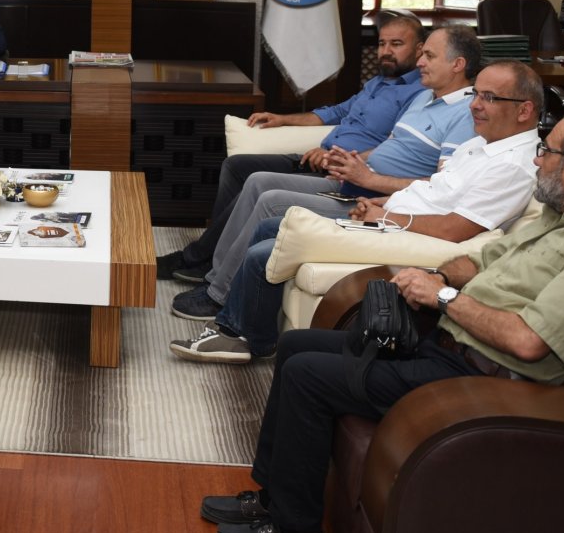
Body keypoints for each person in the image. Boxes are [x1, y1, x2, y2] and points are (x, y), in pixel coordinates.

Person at [200, 110, 564, 533]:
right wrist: (436, 275)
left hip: (484, 383)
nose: (537, 160)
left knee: (308, 375)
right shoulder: (561, 219)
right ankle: (273, 497)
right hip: (449, 346)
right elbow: (479, 261)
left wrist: (442, 297)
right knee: (298, 346)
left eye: (546, 151)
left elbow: (529, 341)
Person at [171, 61, 544, 363]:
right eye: (476, 94)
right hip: (390, 217)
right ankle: (253, 335)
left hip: (409, 237)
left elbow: (454, 229)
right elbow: (432, 190)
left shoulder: (513, 165)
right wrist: (382, 202)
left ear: (524, 110)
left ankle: (237, 334)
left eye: (488, 97)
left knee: (265, 250)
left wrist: (384, 217)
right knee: (270, 225)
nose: (475, 105)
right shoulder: (481, 145)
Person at [172, 25, 481, 322]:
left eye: (429, 56)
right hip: (354, 181)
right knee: (257, 180)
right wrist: (351, 161)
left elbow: (442, 187)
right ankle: (214, 277)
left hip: (376, 202)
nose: (420, 62)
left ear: (457, 64)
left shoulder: (465, 114)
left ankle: (218, 296)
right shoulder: (423, 97)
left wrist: (369, 179)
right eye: (422, 54)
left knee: (269, 200)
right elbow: (388, 148)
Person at [157, 10, 427, 280]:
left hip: (340, 170)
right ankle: (208, 254)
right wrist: (283, 118)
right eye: (382, 43)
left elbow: (393, 148)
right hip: (315, 158)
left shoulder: (419, 94)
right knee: (236, 166)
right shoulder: (378, 83)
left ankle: (199, 258)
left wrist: (338, 157)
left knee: (255, 186)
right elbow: (336, 112)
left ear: (419, 49)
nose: (385, 51)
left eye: (396, 44)